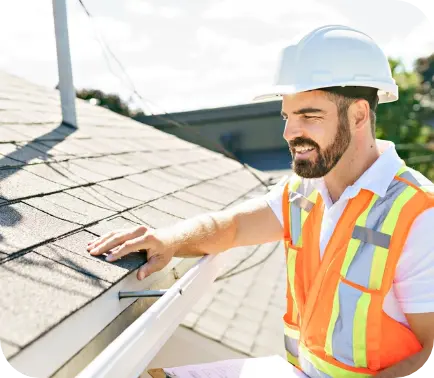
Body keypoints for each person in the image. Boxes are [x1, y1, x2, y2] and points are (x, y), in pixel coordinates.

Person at [86, 25, 434, 377]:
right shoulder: (304, 192)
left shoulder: (417, 214)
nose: (289, 133)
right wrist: (169, 240)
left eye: (309, 116)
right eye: (287, 116)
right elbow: (232, 227)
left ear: (358, 115)